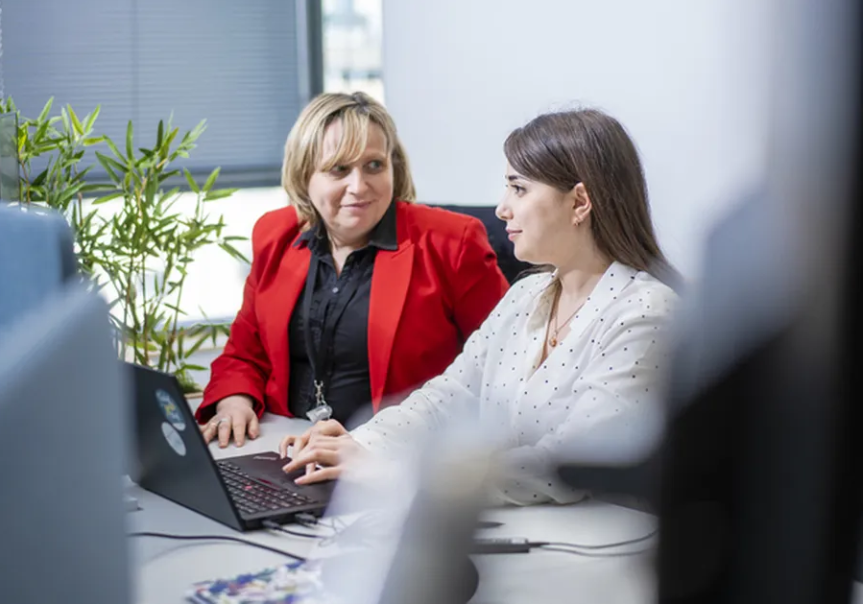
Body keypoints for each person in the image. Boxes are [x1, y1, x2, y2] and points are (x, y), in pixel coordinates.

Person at [280, 108, 681, 506]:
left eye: (518, 189)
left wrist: (400, 473)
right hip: (503, 527)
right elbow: (449, 395)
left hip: (588, 549)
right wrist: (362, 443)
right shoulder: (527, 294)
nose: (502, 209)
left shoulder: (646, 313)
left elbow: (572, 460)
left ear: (579, 202)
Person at [197, 92, 509, 446]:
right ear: (304, 177)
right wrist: (235, 399)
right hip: (284, 443)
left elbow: (502, 365)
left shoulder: (450, 243)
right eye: (338, 169)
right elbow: (244, 351)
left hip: (396, 453)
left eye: (374, 165)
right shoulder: (275, 236)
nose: (359, 187)